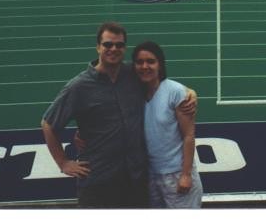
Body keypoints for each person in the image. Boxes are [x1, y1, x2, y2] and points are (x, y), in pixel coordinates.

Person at [40, 21, 195, 208]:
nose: (114, 49)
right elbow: (48, 124)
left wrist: (190, 92)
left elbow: (160, 82)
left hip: (135, 180)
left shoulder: (133, 74)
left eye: (119, 45)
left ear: (124, 48)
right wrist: (63, 162)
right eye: (108, 44)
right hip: (99, 181)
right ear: (98, 47)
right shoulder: (79, 86)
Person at [133, 41, 203, 208]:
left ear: (160, 65)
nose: (145, 66)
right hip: (150, 175)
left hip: (177, 174)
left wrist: (186, 175)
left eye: (150, 61)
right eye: (140, 62)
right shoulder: (134, 93)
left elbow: (188, 135)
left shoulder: (175, 92)